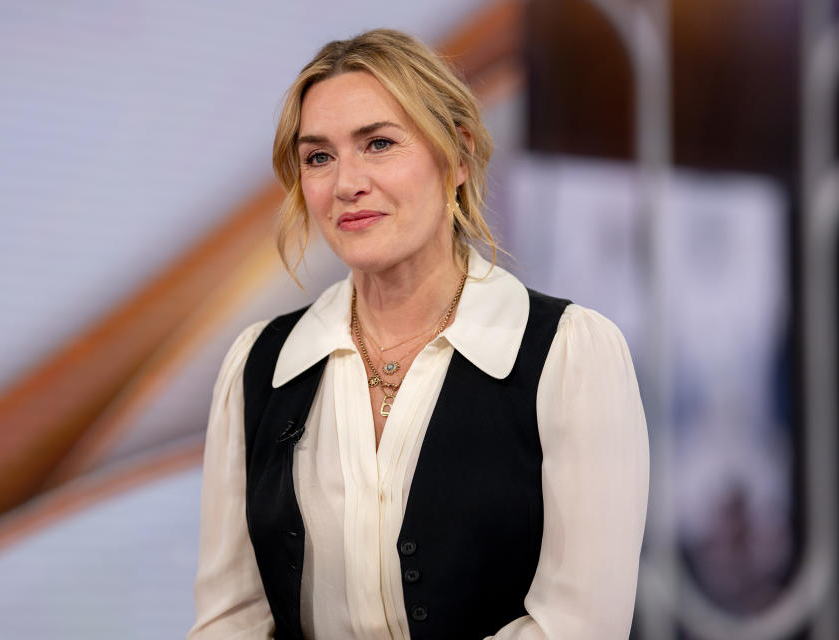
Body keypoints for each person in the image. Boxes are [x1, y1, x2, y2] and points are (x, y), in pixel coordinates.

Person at [188, 29, 648, 640]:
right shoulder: (259, 366)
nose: (346, 183)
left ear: (457, 156)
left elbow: (580, 625)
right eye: (318, 156)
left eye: (378, 144)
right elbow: (229, 621)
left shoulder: (570, 354)